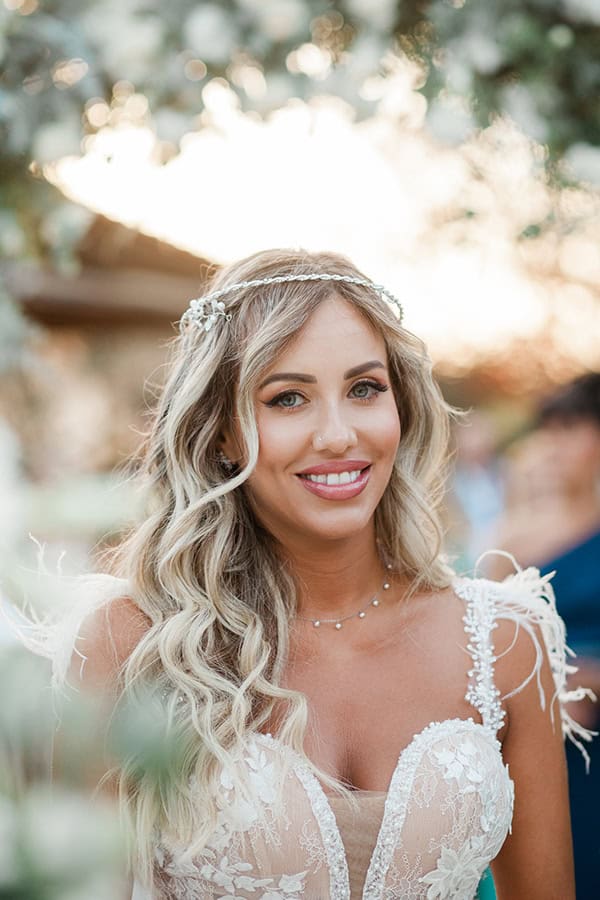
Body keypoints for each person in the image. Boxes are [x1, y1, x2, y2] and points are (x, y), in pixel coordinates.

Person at [60, 249, 593, 899]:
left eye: (365, 388)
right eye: (288, 398)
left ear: (401, 405)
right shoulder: (129, 642)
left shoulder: (507, 642)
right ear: (222, 431)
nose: (339, 435)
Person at [488, 373, 600, 898]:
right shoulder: (516, 534)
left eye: (573, 428)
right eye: (549, 429)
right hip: (540, 727)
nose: (555, 445)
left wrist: (588, 681)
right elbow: (481, 633)